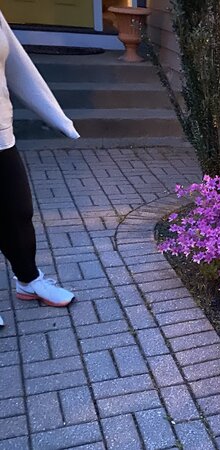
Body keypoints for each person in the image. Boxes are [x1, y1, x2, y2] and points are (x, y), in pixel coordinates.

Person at [0, 10, 80, 309]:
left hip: (1, 135)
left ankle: (28, 281)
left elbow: (19, 67)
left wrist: (58, 118)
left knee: (18, 211)